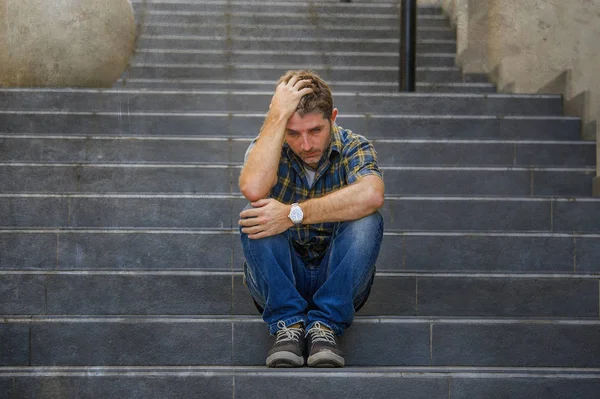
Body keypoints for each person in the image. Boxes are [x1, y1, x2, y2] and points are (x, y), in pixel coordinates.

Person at [238, 70, 384, 368]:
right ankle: (287, 324)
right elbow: (252, 188)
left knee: (368, 219)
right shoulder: (270, 144)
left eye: (315, 131)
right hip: (279, 279)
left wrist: (293, 214)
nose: (306, 145)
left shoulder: (353, 145)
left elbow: (372, 195)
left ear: (333, 117)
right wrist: (276, 116)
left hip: (339, 279)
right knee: (257, 213)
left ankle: (326, 325)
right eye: (293, 133)